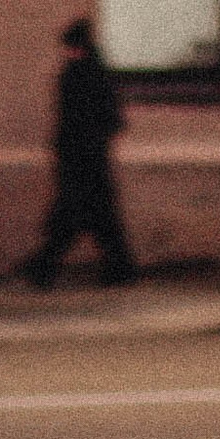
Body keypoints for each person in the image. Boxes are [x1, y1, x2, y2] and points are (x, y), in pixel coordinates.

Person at [22, 18, 135, 287]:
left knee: (72, 217)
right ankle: (119, 267)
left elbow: (71, 120)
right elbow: (113, 119)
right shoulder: (97, 73)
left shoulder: (76, 75)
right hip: (92, 157)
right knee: (97, 217)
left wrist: (67, 148)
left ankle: (43, 266)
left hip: (80, 159)